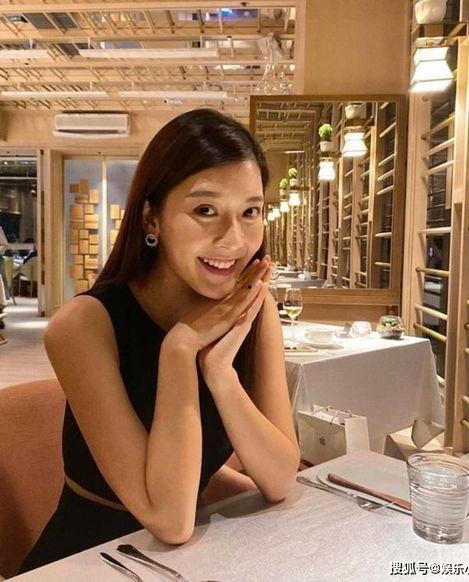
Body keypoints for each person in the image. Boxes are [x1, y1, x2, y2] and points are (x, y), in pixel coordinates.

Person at [19, 109, 300, 573]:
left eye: (250, 211)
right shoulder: (84, 325)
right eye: (205, 210)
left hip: (193, 559)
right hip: (91, 561)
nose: (234, 239)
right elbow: (169, 520)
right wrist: (180, 349)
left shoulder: (254, 308)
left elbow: (281, 476)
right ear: (152, 219)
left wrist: (219, 372)